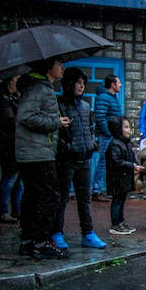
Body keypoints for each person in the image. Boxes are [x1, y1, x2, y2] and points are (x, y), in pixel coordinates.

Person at [15, 57, 70, 259]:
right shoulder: (39, 88)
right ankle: (41, 241)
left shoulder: (37, 86)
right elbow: (26, 116)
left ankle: (28, 240)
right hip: (37, 153)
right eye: (58, 63)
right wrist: (55, 122)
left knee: (33, 196)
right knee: (49, 196)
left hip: (33, 152)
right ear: (48, 66)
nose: (62, 67)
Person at [53, 67, 106, 250]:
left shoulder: (84, 106)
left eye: (83, 83)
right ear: (69, 83)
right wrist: (68, 148)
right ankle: (56, 232)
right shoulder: (59, 105)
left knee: (85, 198)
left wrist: (92, 143)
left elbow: (89, 128)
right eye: (78, 82)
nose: (81, 86)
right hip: (66, 160)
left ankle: (88, 233)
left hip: (84, 159)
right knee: (62, 198)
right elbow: (56, 135)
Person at [0, 75, 23, 223]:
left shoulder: (13, 98)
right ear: (9, 80)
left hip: (16, 143)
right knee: (10, 177)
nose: (18, 81)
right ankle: (3, 211)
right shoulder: (2, 100)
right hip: (8, 144)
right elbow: (10, 122)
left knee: (18, 179)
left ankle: (16, 209)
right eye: (16, 79)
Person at [106, 116, 144, 235]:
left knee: (121, 200)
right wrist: (132, 166)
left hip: (124, 178)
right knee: (117, 200)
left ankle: (121, 222)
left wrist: (136, 165)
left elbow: (130, 158)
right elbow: (117, 161)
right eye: (126, 127)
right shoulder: (115, 144)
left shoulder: (125, 144)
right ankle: (116, 224)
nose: (129, 130)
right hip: (117, 178)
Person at [90, 75, 122, 202]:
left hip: (113, 135)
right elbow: (100, 117)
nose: (120, 85)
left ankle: (106, 188)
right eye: (118, 83)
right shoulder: (103, 98)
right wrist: (108, 132)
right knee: (103, 162)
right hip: (106, 136)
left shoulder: (113, 98)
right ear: (112, 84)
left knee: (110, 162)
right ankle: (97, 190)